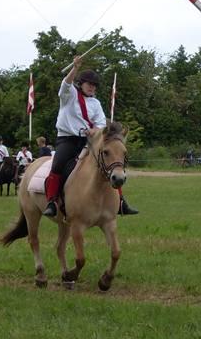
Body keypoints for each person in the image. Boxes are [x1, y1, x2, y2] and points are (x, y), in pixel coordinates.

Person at [43, 55, 138, 217]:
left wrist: (95, 131)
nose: (92, 87)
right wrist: (75, 68)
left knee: (110, 163)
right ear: (81, 84)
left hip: (88, 141)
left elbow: (101, 123)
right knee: (58, 164)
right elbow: (65, 84)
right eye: (89, 84)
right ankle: (52, 201)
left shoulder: (96, 103)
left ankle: (120, 201)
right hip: (68, 140)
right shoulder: (70, 95)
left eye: (95, 85)